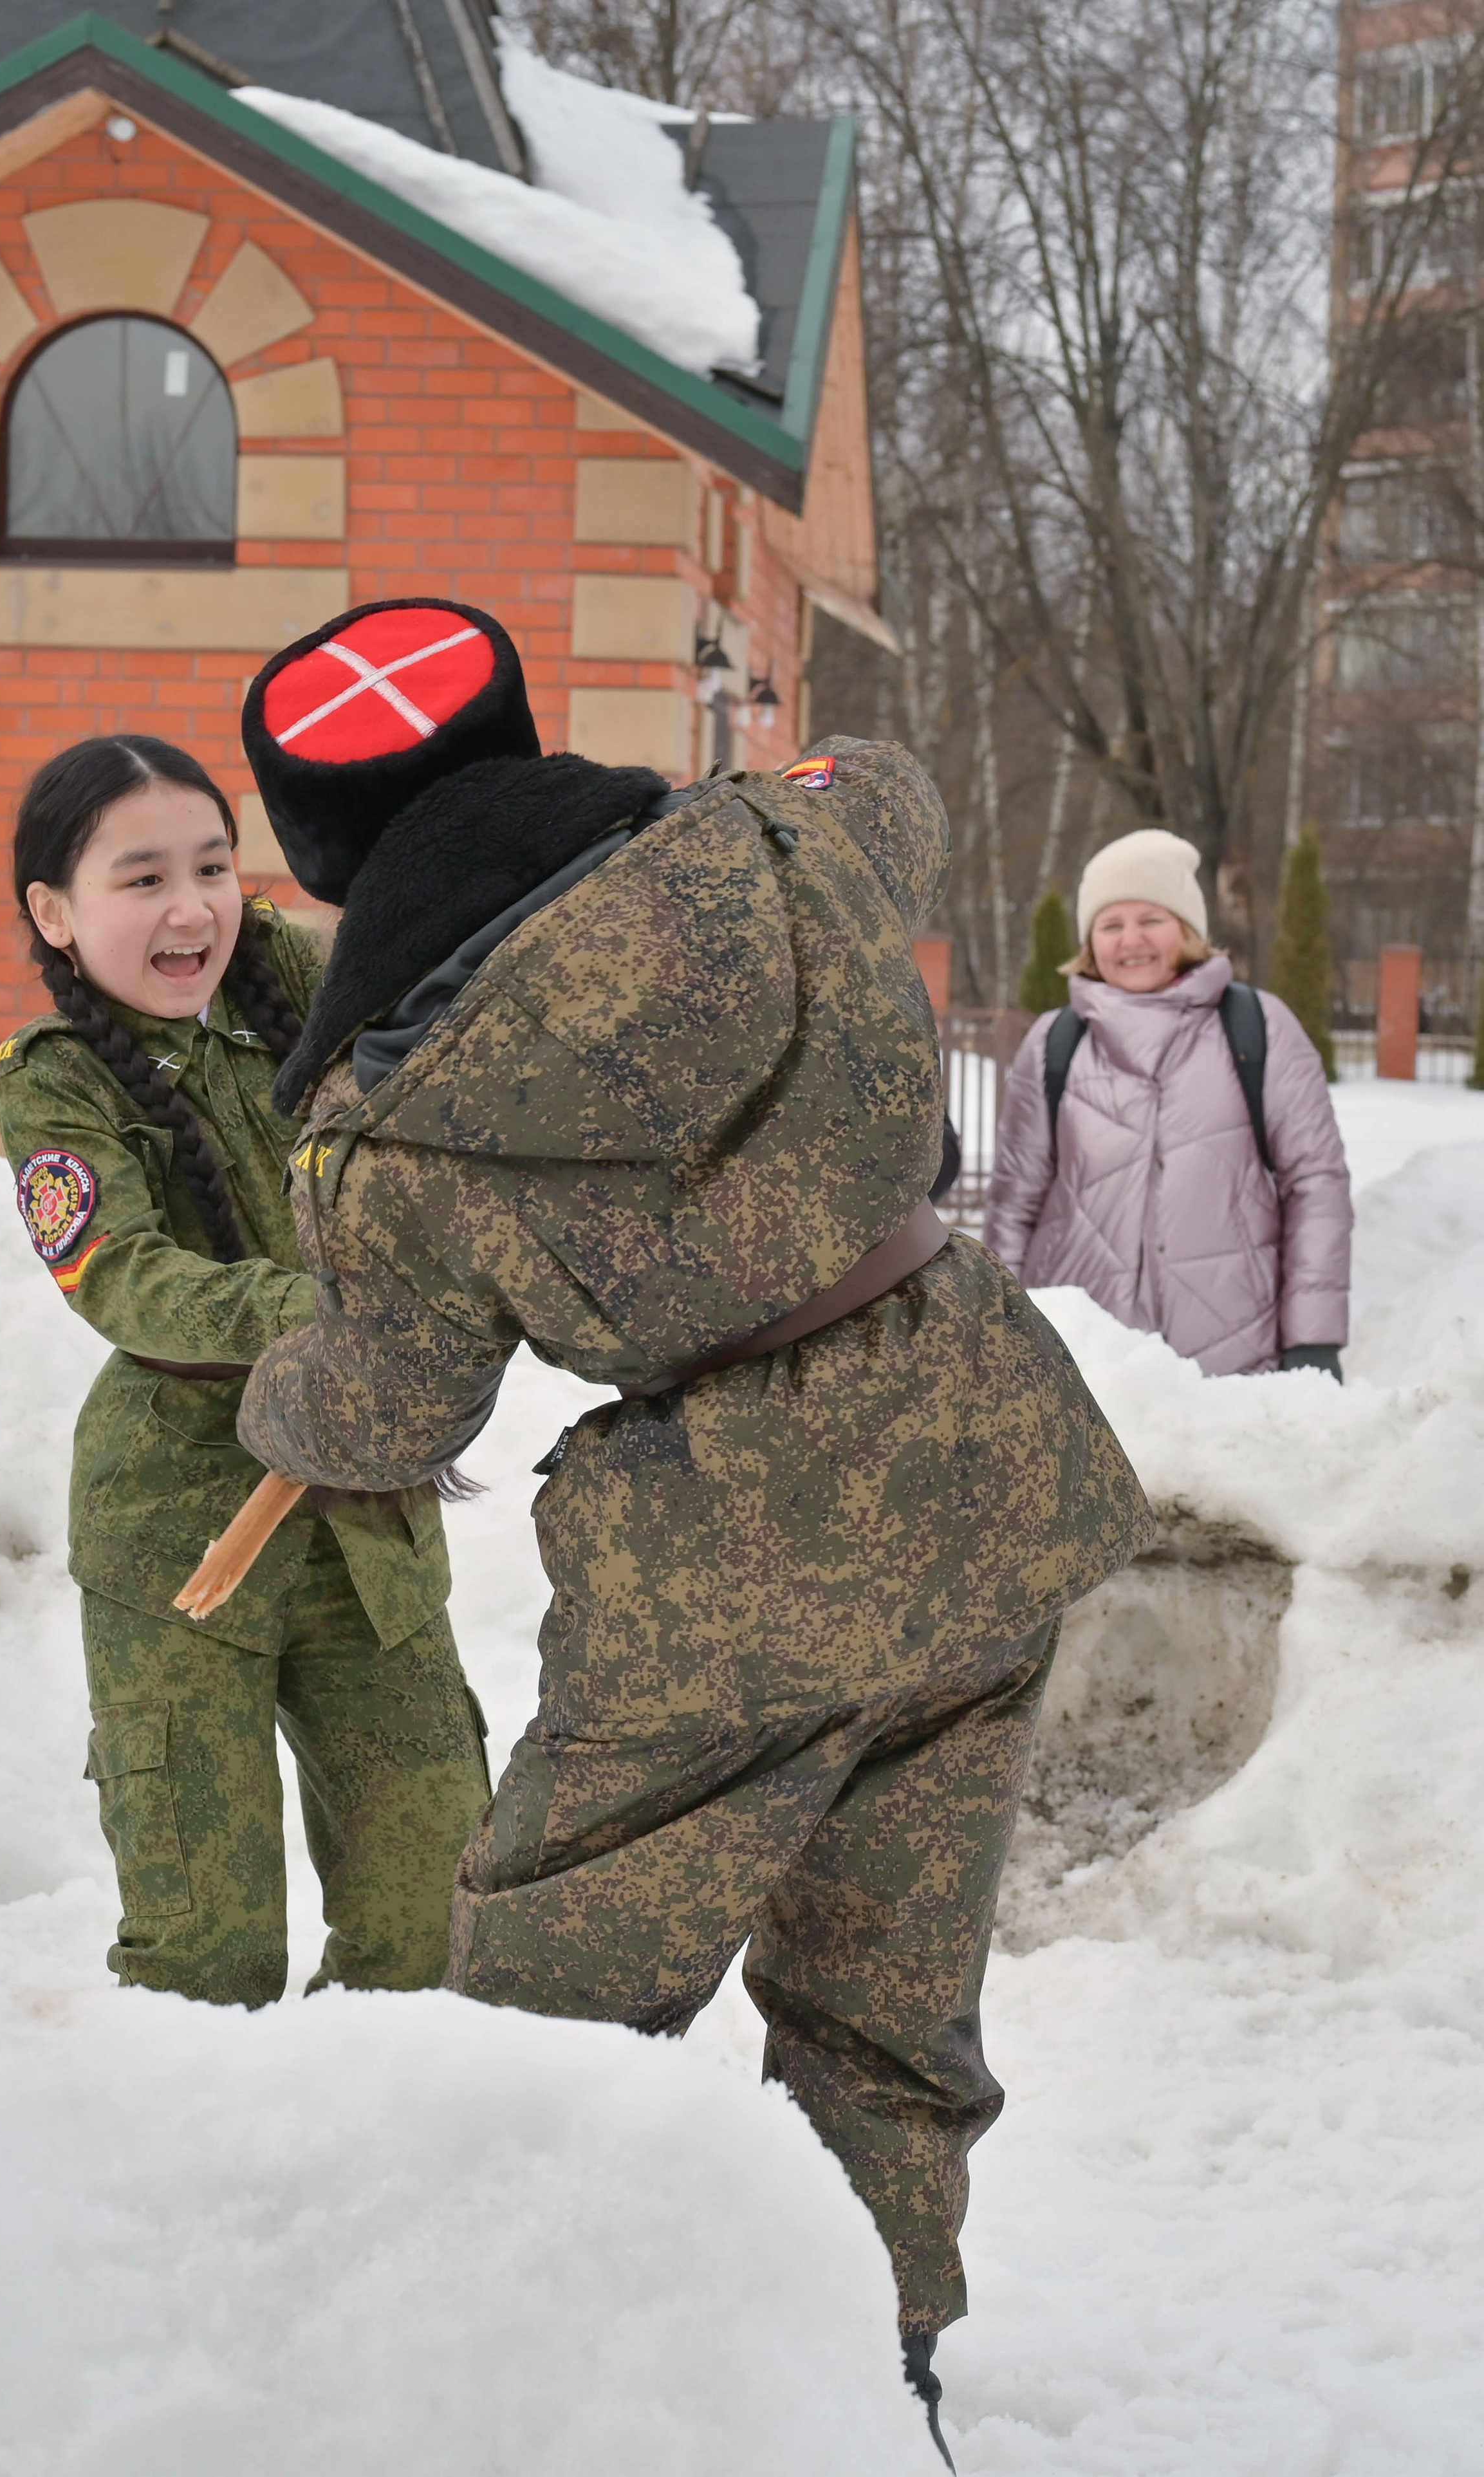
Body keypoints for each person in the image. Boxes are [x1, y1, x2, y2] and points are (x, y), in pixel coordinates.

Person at [227, 597, 1155, 2460]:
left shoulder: (385, 1125)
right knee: (887, 2009)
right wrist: (711, 792)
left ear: (324, 857)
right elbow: (888, 782)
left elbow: (396, 1411)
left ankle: (515, 2393)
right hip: (981, 1459)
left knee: (550, 2005)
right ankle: (873, 2384)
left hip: (735, 1571)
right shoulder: (790, 834)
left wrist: (277, 1396)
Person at [0, 734, 490, 2007]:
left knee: (434, 1919)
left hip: (362, 1522)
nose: (190, 906)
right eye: (141, 875)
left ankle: (384, 2179)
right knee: (206, 1951)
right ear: (54, 911)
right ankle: (192, 2188)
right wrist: (316, 1307)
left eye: (212, 865)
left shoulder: (299, 990)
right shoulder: (59, 1082)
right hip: (182, 1539)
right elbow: (118, 1275)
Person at [984, 828, 1352, 1380]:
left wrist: (1314, 1337)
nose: (1131, 940)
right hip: (1079, 1367)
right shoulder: (1054, 1041)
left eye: (1151, 919)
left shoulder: (1259, 1026)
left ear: (1188, 930)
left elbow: (1316, 1184)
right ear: (1090, 944)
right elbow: (1015, 1203)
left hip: (1231, 1364)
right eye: (1111, 925)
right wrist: (998, 1333)